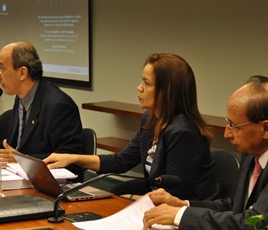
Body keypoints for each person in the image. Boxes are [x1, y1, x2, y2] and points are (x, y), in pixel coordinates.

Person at [142, 76, 268, 230]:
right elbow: (238, 205)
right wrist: (184, 205)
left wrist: (180, 216)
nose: (227, 134)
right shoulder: (256, 145)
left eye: (233, 125)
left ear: (266, 129)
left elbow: (256, 226)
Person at [44, 53, 218, 200]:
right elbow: (122, 161)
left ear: (168, 90)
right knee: (117, 192)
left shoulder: (182, 132)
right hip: (156, 201)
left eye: (147, 83)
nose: (139, 88)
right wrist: (72, 158)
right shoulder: (150, 120)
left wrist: (135, 199)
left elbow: (175, 195)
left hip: (186, 213)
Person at [0, 41, 84, 172]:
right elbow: (17, 146)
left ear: (22, 73)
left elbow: (71, 159)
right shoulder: (21, 98)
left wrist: (22, 159)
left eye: (2, 68)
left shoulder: (58, 105)